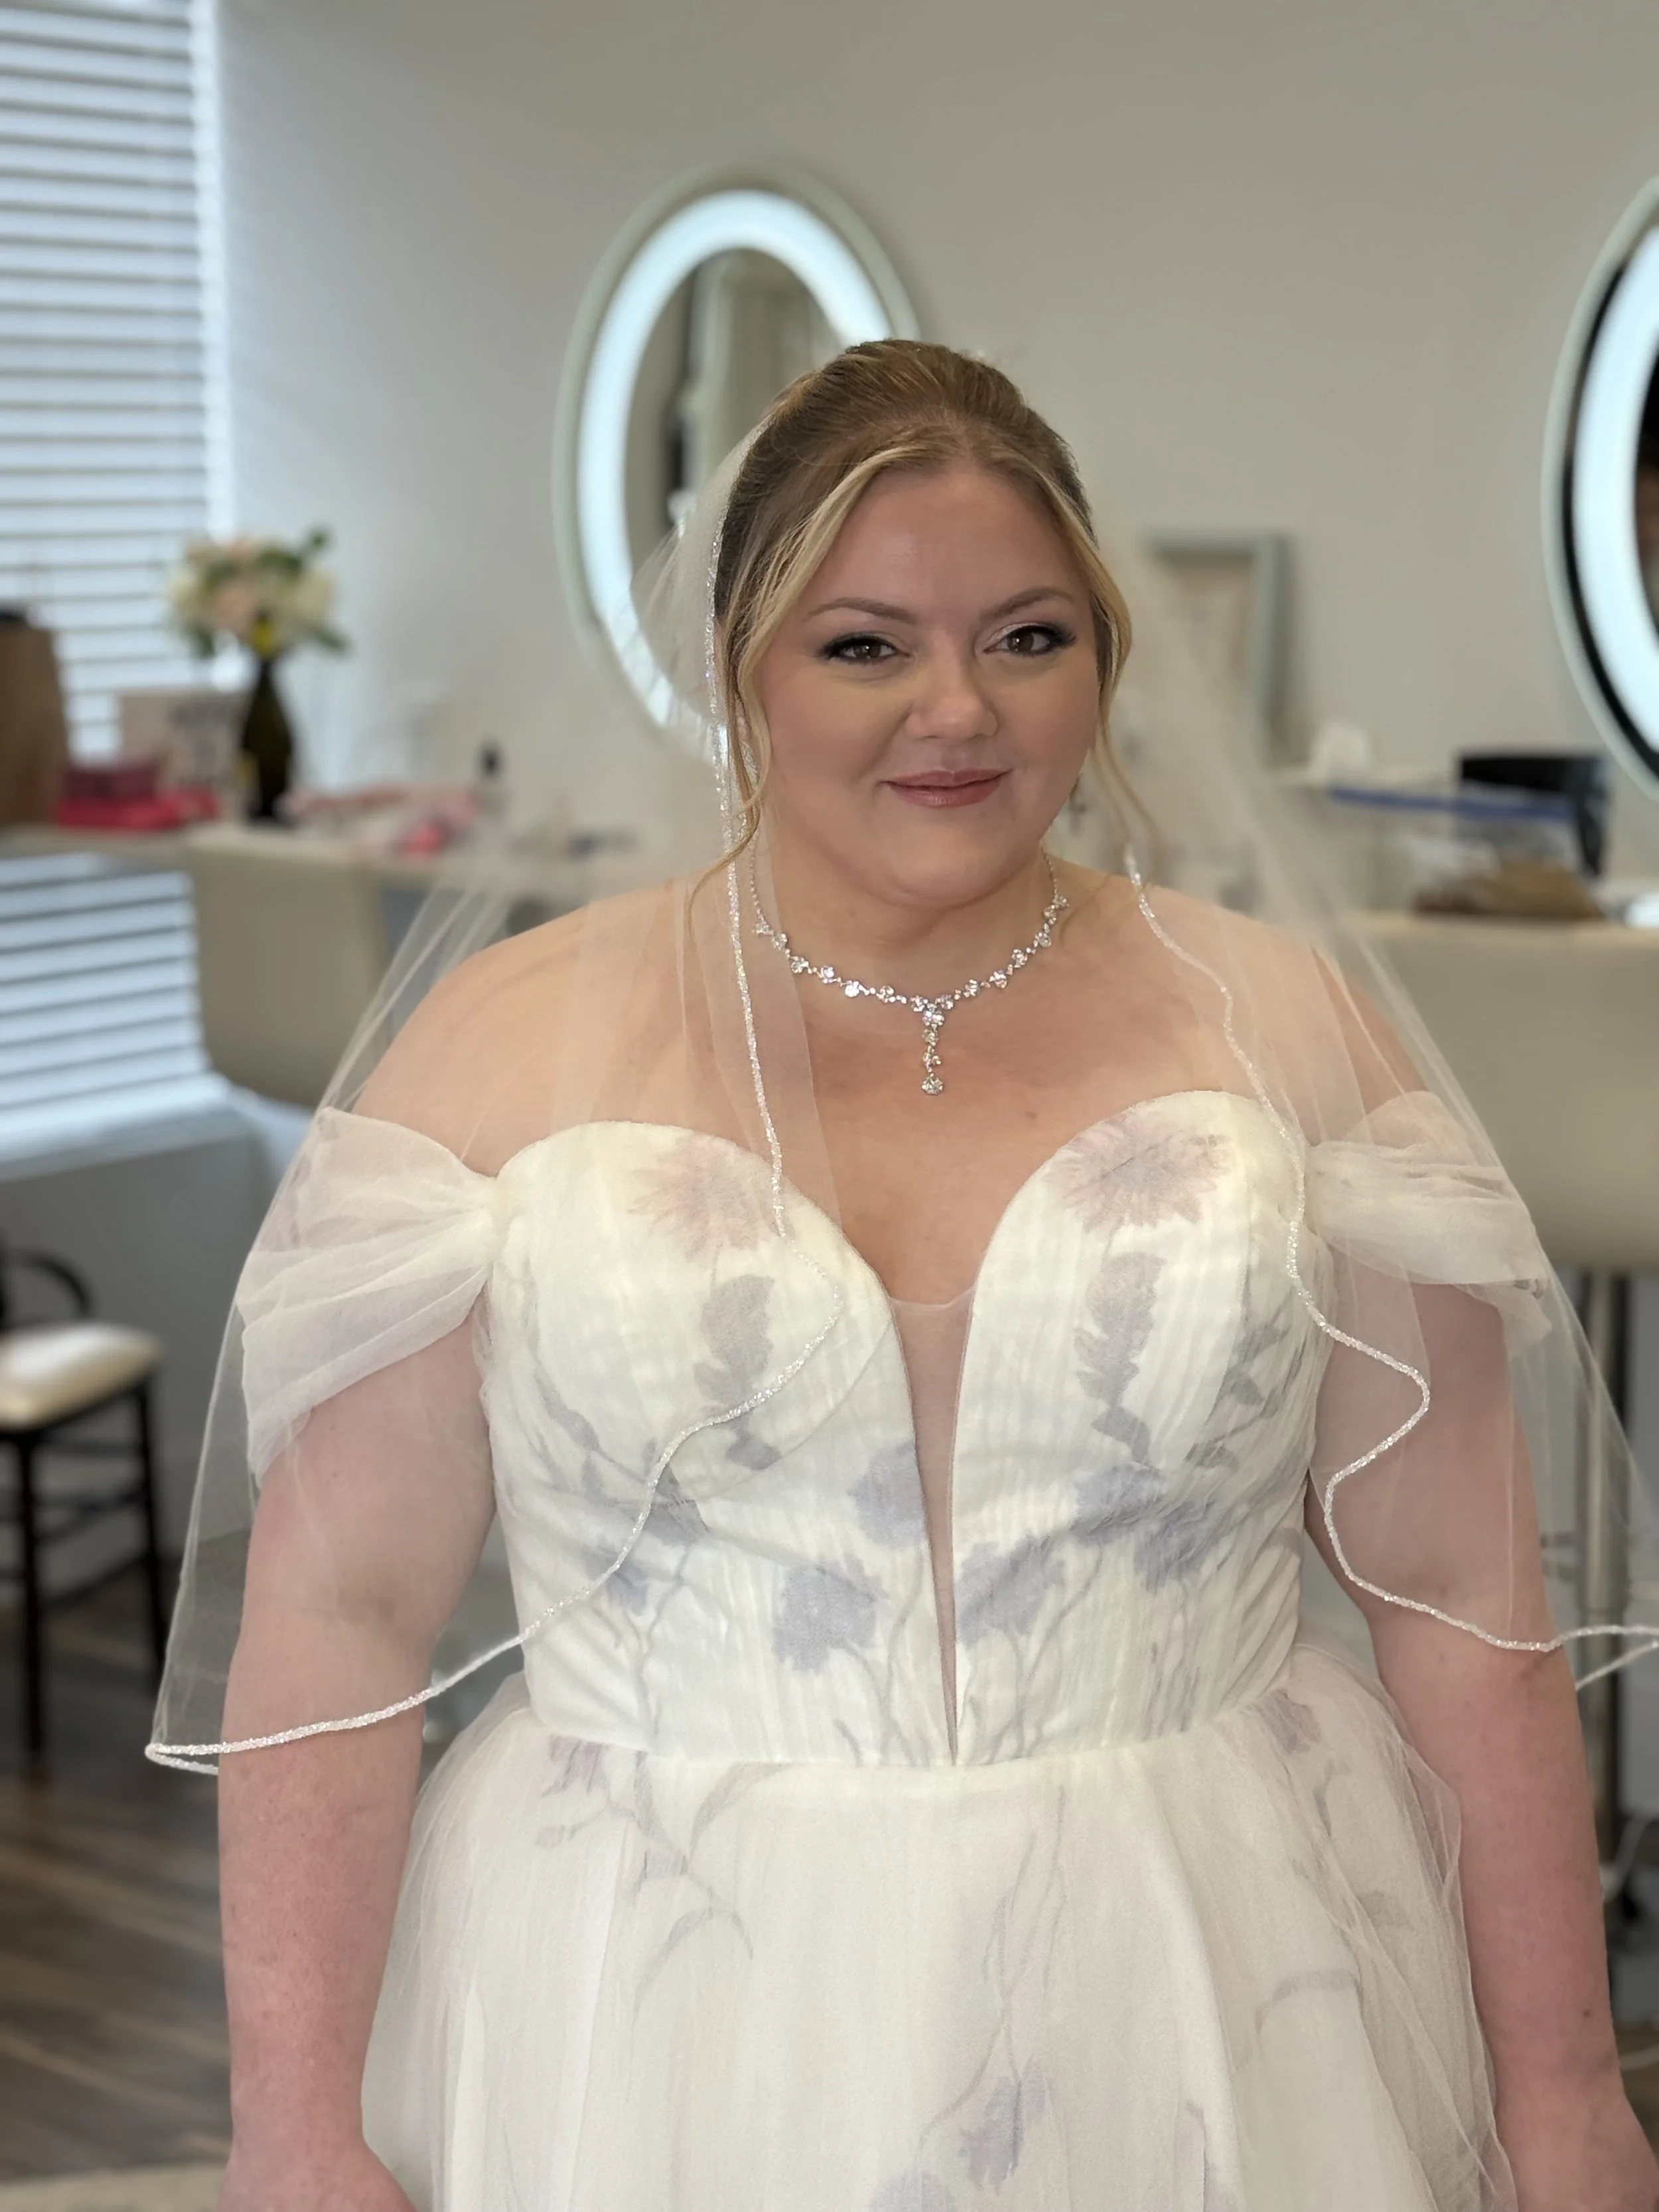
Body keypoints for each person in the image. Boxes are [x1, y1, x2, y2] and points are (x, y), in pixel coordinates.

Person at [155, 341, 1659, 2211]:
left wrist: (1566, 2086)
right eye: (863, 643)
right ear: (738, 670)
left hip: (1202, 1965)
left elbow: (1458, 1598)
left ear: (1104, 652)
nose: (957, 708)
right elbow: (340, 1616)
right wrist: (290, 2127)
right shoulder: (498, 1049)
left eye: (1028, 637)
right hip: (643, 1994)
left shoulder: (1285, 1029)